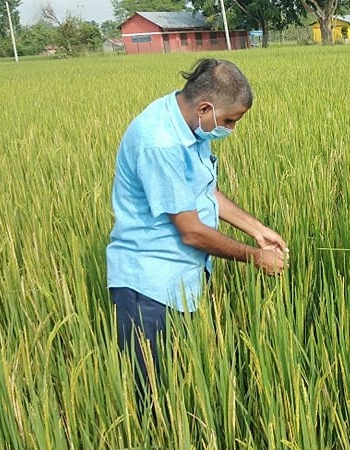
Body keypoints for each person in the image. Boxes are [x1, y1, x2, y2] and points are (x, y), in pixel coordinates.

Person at [106, 58, 289, 409]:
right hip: (149, 288)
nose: (232, 129)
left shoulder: (188, 123)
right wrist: (255, 257)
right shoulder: (159, 141)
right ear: (206, 107)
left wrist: (257, 230)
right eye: (230, 120)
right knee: (154, 399)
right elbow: (190, 231)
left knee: (183, 382)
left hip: (182, 279)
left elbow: (202, 191)